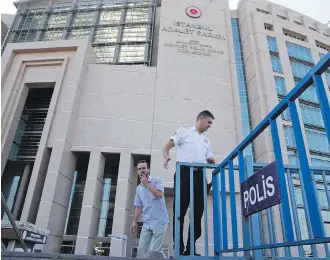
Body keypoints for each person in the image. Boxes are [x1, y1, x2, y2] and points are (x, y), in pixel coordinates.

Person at [163, 110, 216, 256]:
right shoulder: (183, 132)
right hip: (184, 174)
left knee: (197, 213)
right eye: (209, 122)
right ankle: (178, 249)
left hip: (199, 176)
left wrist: (211, 160)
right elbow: (167, 146)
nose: (210, 125)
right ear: (201, 119)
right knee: (179, 212)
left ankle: (190, 248)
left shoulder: (206, 141)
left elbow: (209, 157)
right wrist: (166, 156)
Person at [131, 160, 169, 259]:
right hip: (147, 223)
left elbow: (159, 195)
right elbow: (138, 206)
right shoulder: (139, 189)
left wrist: (147, 184)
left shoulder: (157, 181)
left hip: (160, 222)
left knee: (154, 250)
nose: (142, 170)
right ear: (137, 171)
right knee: (142, 251)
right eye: (139, 169)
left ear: (148, 169)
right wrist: (134, 222)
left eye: (144, 168)